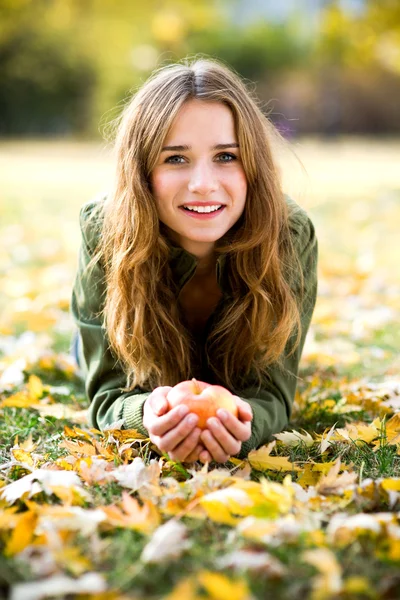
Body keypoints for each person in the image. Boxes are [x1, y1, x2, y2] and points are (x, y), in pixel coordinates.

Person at [70, 57, 318, 465]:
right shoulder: (104, 229)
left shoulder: (289, 234)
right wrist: (144, 415)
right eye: (175, 158)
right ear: (141, 171)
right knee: (81, 353)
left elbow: (273, 393)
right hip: (127, 350)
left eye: (226, 156)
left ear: (253, 165)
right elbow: (108, 393)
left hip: (226, 375)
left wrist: (245, 422)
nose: (203, 185)